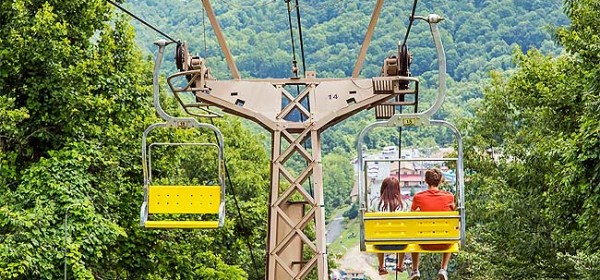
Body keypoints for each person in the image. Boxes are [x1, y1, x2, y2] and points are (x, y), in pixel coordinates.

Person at [408, 168, 455, 280]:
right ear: (440, 181)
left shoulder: (418, 197)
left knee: (414, 233)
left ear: (426, 181)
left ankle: (415, 270)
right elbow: (453, 211)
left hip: (423, 242)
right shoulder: (449, 197)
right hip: (444, 243)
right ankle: (443, 268)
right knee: (450, 232)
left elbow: (412, 215)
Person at [370, 176, 407, 275]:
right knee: (402, 234)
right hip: (400, 244)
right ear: (397, 189)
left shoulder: (376, 203)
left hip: (380, 243)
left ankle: (381, 266)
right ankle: (400, 264)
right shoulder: (403, 204)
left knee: (380, 233)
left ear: (383, 188)